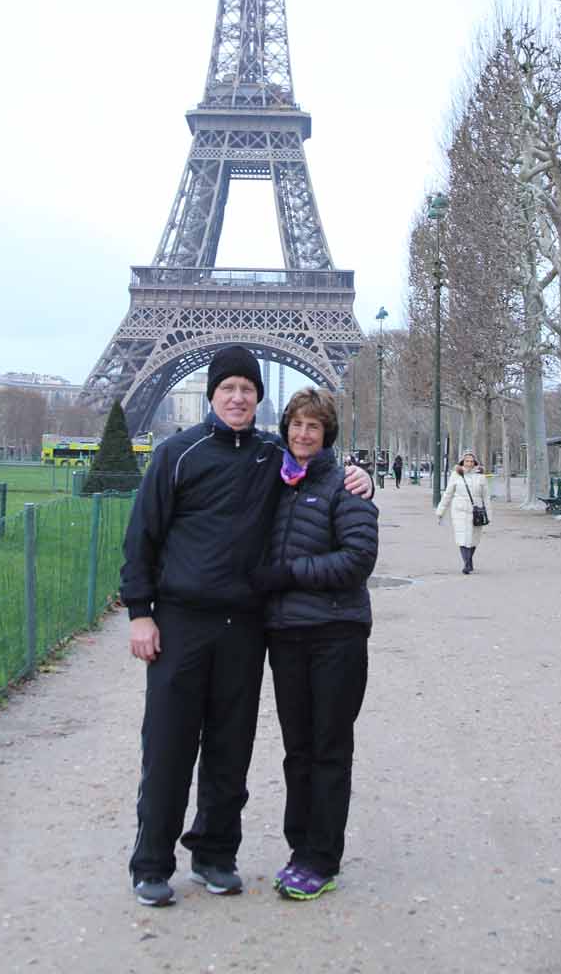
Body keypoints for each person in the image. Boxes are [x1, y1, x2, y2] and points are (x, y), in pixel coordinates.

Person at [120, 346, 373, 909]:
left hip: (245, 627)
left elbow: (318, 462)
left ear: (259, 398)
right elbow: (142, 537)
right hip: (182, 622)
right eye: (228, 388)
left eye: (247, 389)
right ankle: (152, 862)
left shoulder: (271, 455)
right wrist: (140, 612)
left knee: (230, 751)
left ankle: (215, 853)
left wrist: (361, 477)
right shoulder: (176, 454)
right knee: (168, 747)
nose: (238, 397)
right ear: (212, 394)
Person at [251, 388, 378, 901]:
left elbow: (358, 558)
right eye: (297, 425)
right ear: (285, 429)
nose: (303, 434)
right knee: (297, 750)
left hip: (335, 635)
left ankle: (321, 858)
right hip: (286, 637)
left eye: (314, 426)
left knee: (328, 748)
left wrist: (287, 574)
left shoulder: (346, 484)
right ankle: (299, 848)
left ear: (327, 434)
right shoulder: (272, 481)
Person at [435, 451, 491, 574]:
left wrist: (488, 514)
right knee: (462, 537)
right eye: (467, 461)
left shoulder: (481, 477)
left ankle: (469, 560)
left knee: (474, 539)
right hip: (459, 511)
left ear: (475, 463)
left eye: (471, 461)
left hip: (476, 512)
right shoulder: (456, 475)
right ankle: (467, 564)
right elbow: (448, 494)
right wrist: (440, 511)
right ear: (462, 462)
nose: (469, 463)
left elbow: (486, 497)